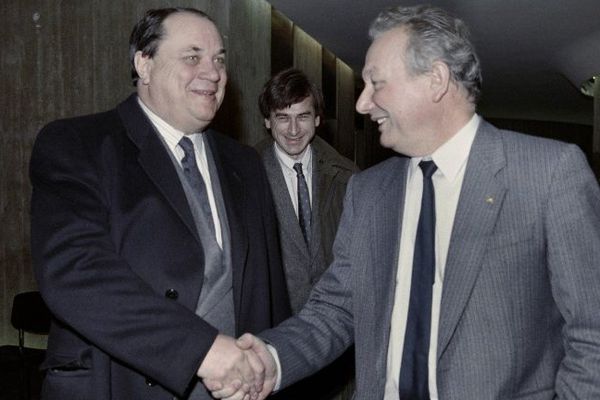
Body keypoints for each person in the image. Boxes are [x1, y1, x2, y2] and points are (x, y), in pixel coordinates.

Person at [230, 4, 600, 400]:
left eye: (376, 84)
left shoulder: (549, 173)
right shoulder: (368, 191)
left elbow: (592, 335)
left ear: (435, 80)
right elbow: (336, 309)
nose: (362, 104)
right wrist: (272, 357)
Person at [29, 7, 290, 400]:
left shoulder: (246, 163)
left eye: (219, 59)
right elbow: (76, 272)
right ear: (144, 65)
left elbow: (269, 290)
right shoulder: (77, 144)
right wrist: (200, 350)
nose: (214, 71)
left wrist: (273, 363)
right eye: (192, 56)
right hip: (121, 384)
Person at [254, 68, 357, 399]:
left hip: (337, 343)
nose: (294, 130)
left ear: (317, 120)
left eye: (303, 116)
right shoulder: (243, 173)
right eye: (283, 118)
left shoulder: (350, 177)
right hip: (273, 341)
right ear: (268, 121)